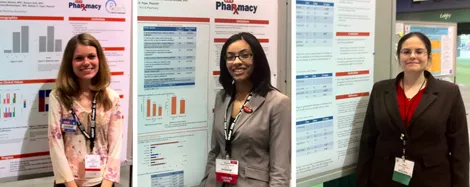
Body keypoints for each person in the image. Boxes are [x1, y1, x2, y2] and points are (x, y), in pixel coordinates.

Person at [356, 32, 469, 187]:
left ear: (429, 57)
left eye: (419, 51)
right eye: (406, 52)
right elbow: (368, 140)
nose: (412, 56)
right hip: (385, 177)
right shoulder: (380, 90)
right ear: (399, 56)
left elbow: (460, 147)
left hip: (431, 179)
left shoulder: (449, 93)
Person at [200, 32, 291, 187]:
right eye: (230, 57)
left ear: (257, 59)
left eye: (244, 55)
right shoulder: (222, 97)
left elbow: (280, 169)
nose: (237, 62)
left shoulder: (277, 103)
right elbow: (215, 151)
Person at [48, 33, 122, 187]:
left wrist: (107, 183)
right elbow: (55, 143)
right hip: (68, 183)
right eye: (79, 58)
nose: (86, 62)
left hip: (102, 182)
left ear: (99, 59)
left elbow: (116, 145)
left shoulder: (111, 98)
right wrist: (70, 184)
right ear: (70, 62)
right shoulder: (58, 97)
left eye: (91, 56)